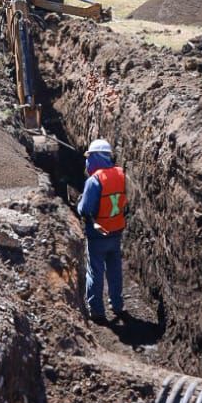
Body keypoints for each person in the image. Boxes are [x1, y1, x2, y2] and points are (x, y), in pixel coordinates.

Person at [77, 137, 127, 323]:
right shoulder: (121, 174)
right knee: (114, 269)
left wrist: (79, 203)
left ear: (96, 157)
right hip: (116, 230)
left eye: (90, 157)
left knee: (95, 271)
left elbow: (85, 209)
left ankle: (97, 310)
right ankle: (117, 304)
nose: (88, 161)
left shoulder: (94, 180)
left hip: (98, 234)